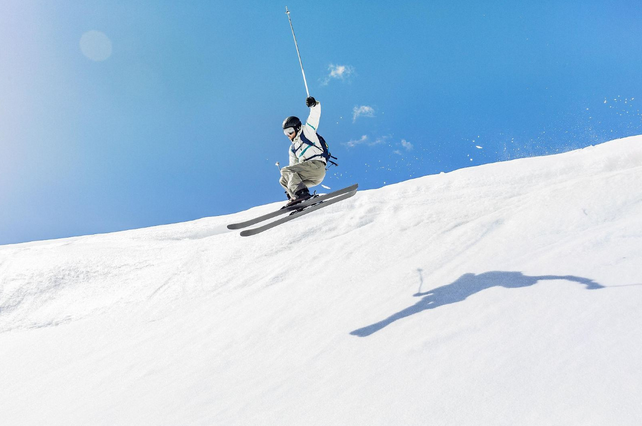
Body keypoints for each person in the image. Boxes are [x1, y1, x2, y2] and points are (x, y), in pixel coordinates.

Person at [280, 96, 326, 207]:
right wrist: (290, 187)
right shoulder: (293, 148)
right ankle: (296, 197)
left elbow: (314, 117)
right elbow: (293, 168)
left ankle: (301, 194)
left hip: (316, 166)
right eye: (286, 133)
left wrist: (314, 105)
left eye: (290, 131)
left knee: (285, 170)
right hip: (309, 177)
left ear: (296, 127)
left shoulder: (307, 131)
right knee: (283, 179)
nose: (288, 135)